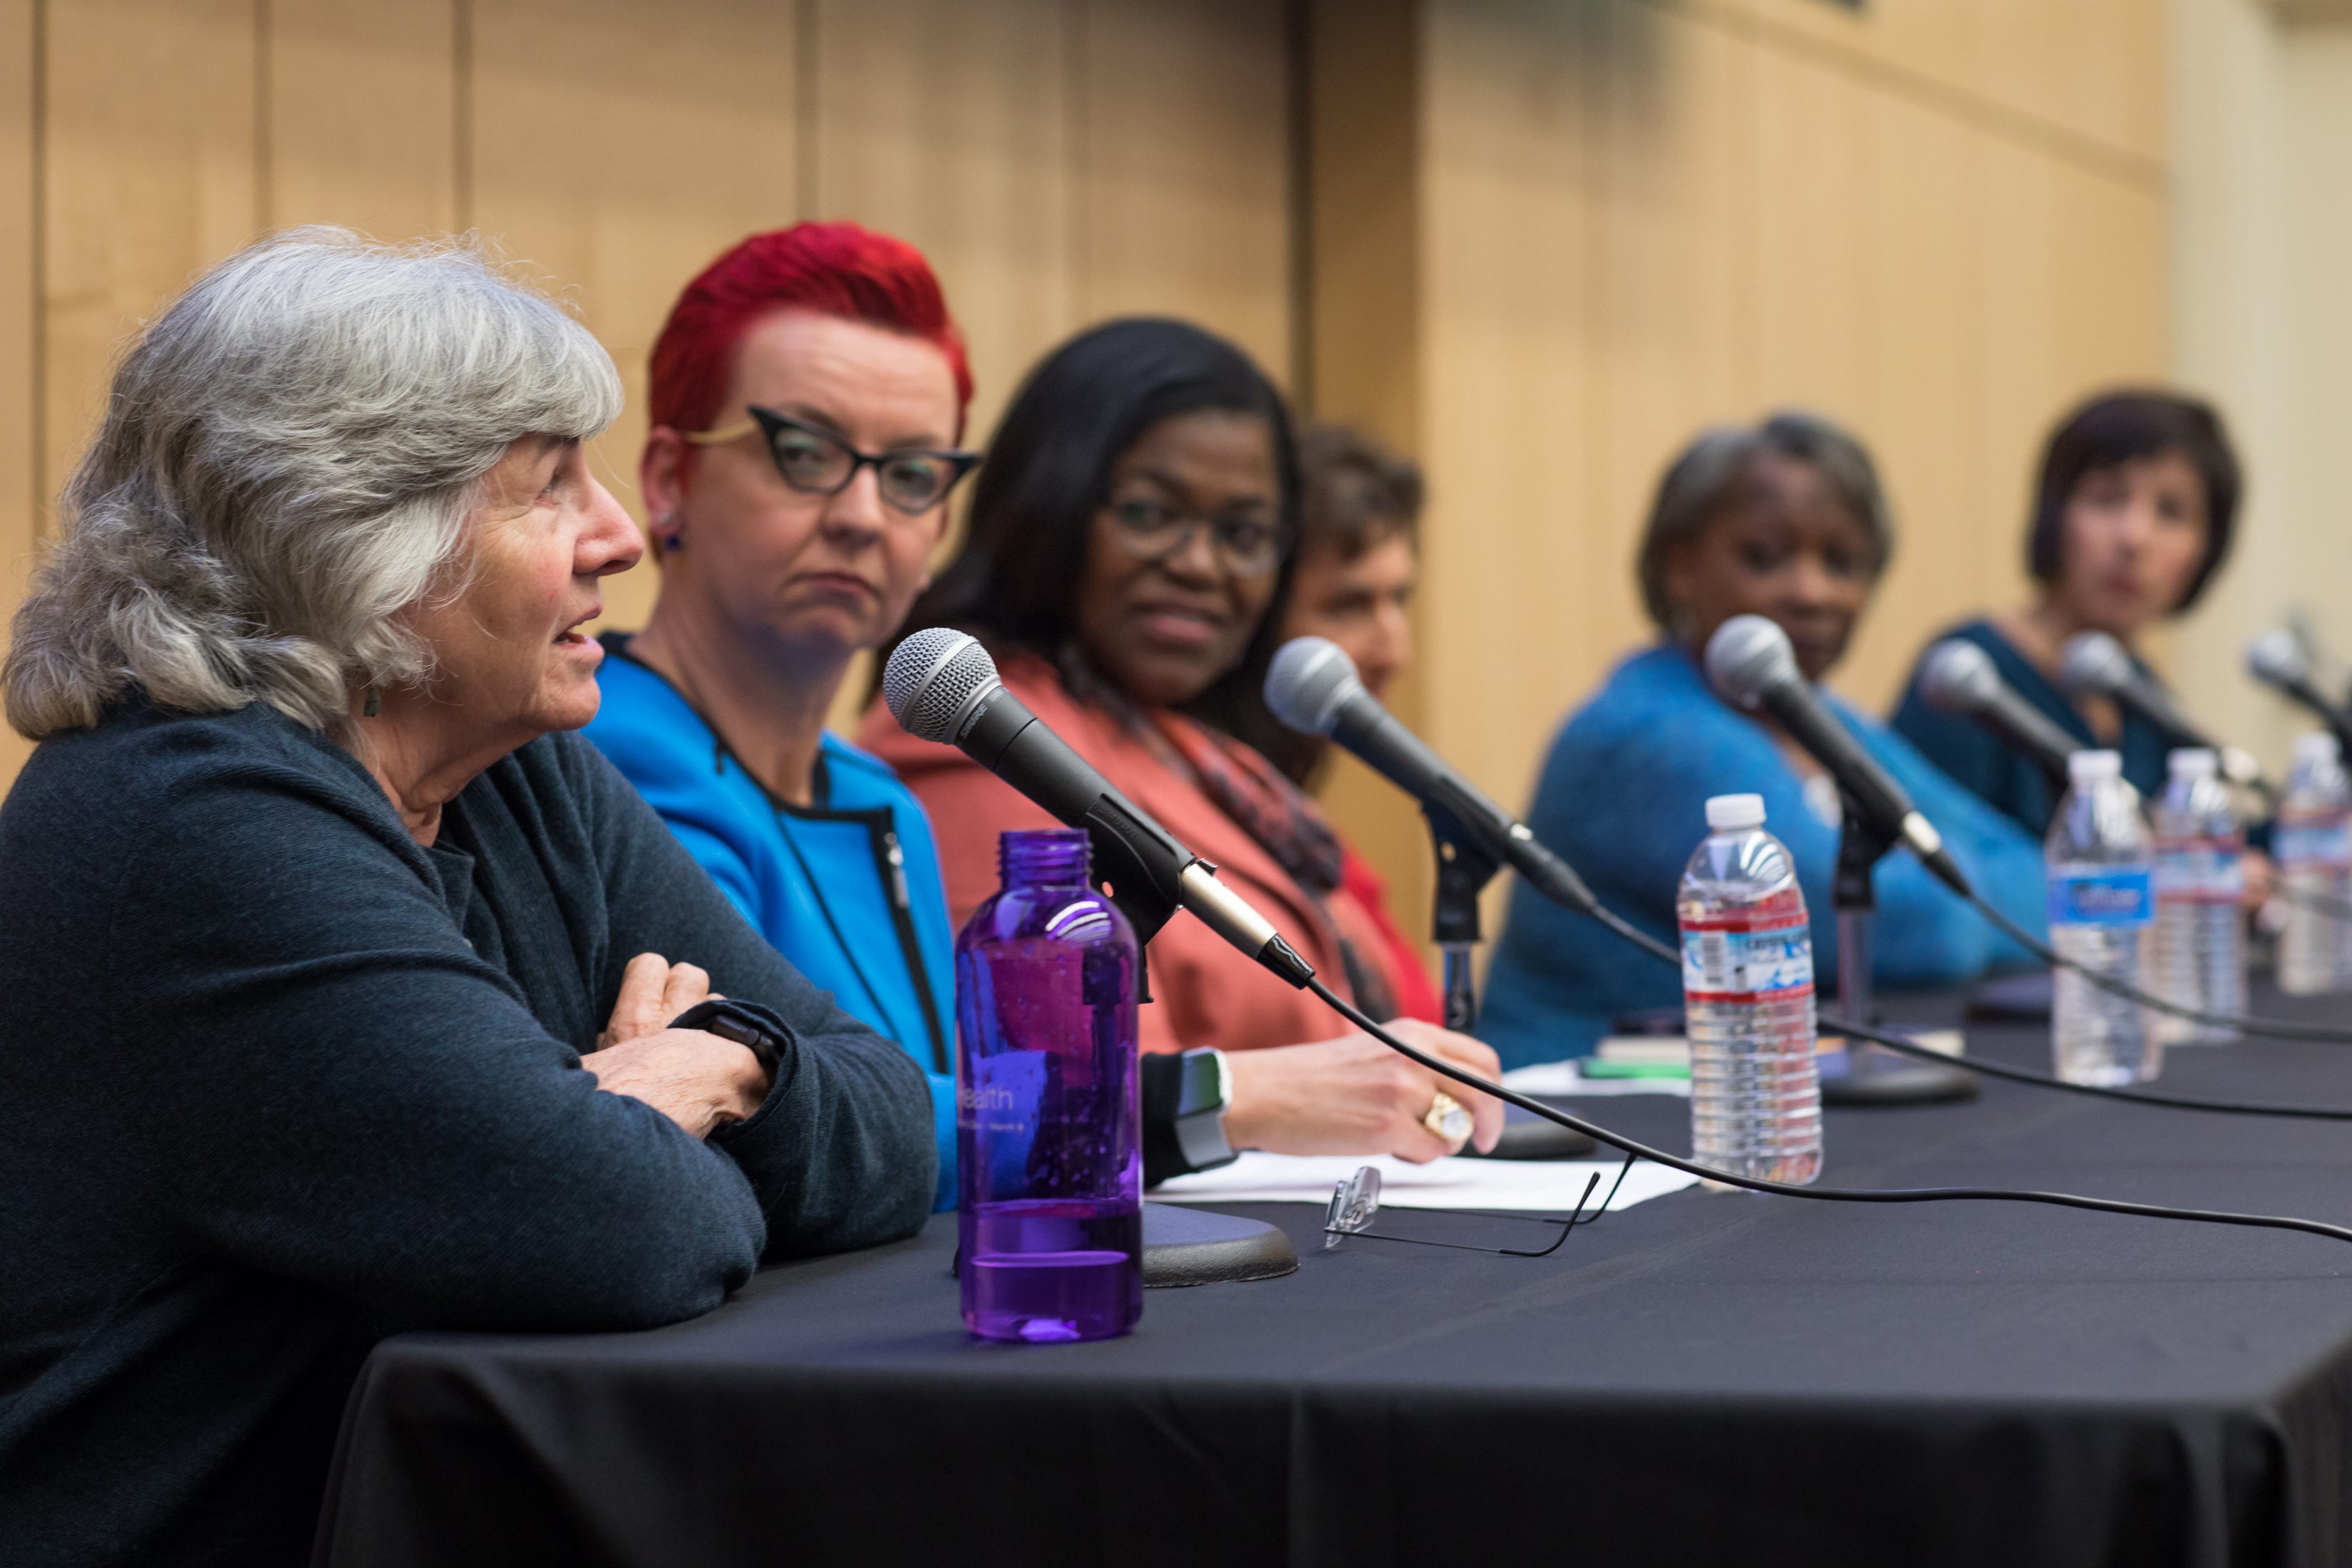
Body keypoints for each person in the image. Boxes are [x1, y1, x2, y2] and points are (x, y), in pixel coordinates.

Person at [0, 231, 934, 1568]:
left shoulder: (522, 770)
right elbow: (623, 1231)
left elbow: (888, 1114)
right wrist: (631, 1121)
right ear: (353, 540)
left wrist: (718, 1061)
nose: (618, 535)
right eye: (549, 487)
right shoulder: (193, 824)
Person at [859, 319, 1504, 1174]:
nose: (1201, 565)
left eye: (1242, 535)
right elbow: (1066, 1106)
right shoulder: (985, 743)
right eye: (1152, 514)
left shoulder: (1201, 748)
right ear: (1049, 506)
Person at [582, 223, 974, 1210]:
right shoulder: (598, 755)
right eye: (807, 454)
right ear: (670, 480)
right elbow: (776, 1137)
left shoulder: (882, 799)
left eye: (913, 474)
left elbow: (932, 1130)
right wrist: (1189, 1101)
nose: (864, 515)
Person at [1477, 412, 2046, 1068]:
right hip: (1567, 1117)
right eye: (1765, 556)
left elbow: (2039, 876)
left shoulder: (1825, 720)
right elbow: (1917, 930)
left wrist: (1951, 884)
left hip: (1735, 1091)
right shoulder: (1642, 735)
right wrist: (1946, 882)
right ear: (1680, 567)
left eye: (1841, 562)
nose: (1811, 592)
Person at [1889, 391, 2243, 835]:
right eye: (2107, 500)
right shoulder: (1966, 677)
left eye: (2170, 513)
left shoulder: (2146, 698)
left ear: (2206, 553)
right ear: (2055, 514)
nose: (2134, 538)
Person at [1195, 421, 1440, 1022]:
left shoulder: (1293, 819)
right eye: (1349, 605)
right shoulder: (1201, 808)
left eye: (1399, 599)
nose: (1394, 648)